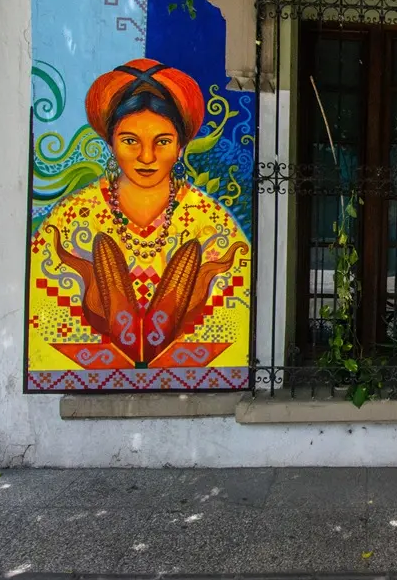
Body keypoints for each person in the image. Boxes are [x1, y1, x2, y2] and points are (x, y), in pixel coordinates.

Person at [28, 59, 249, 378]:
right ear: (110, 142)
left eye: (162, 141)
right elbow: (47, 314)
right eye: (130, 141)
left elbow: (233, 311)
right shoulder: (73, 218)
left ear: (180, 147)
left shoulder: (210, 222)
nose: (147, 157)